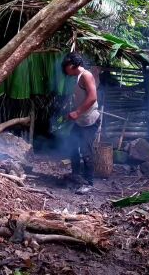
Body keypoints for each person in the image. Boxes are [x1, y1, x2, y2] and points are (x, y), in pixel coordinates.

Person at [61, 52, 100, 195]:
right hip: (81, 120)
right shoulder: (77, 77)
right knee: (72, 146)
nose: (65, 71)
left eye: (65, 67)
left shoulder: (86, 75)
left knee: (86, 152)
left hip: (90, 121)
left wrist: (77, 112)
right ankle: (76, 176)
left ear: (71, 65)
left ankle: (89, 183)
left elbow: (92, 97)